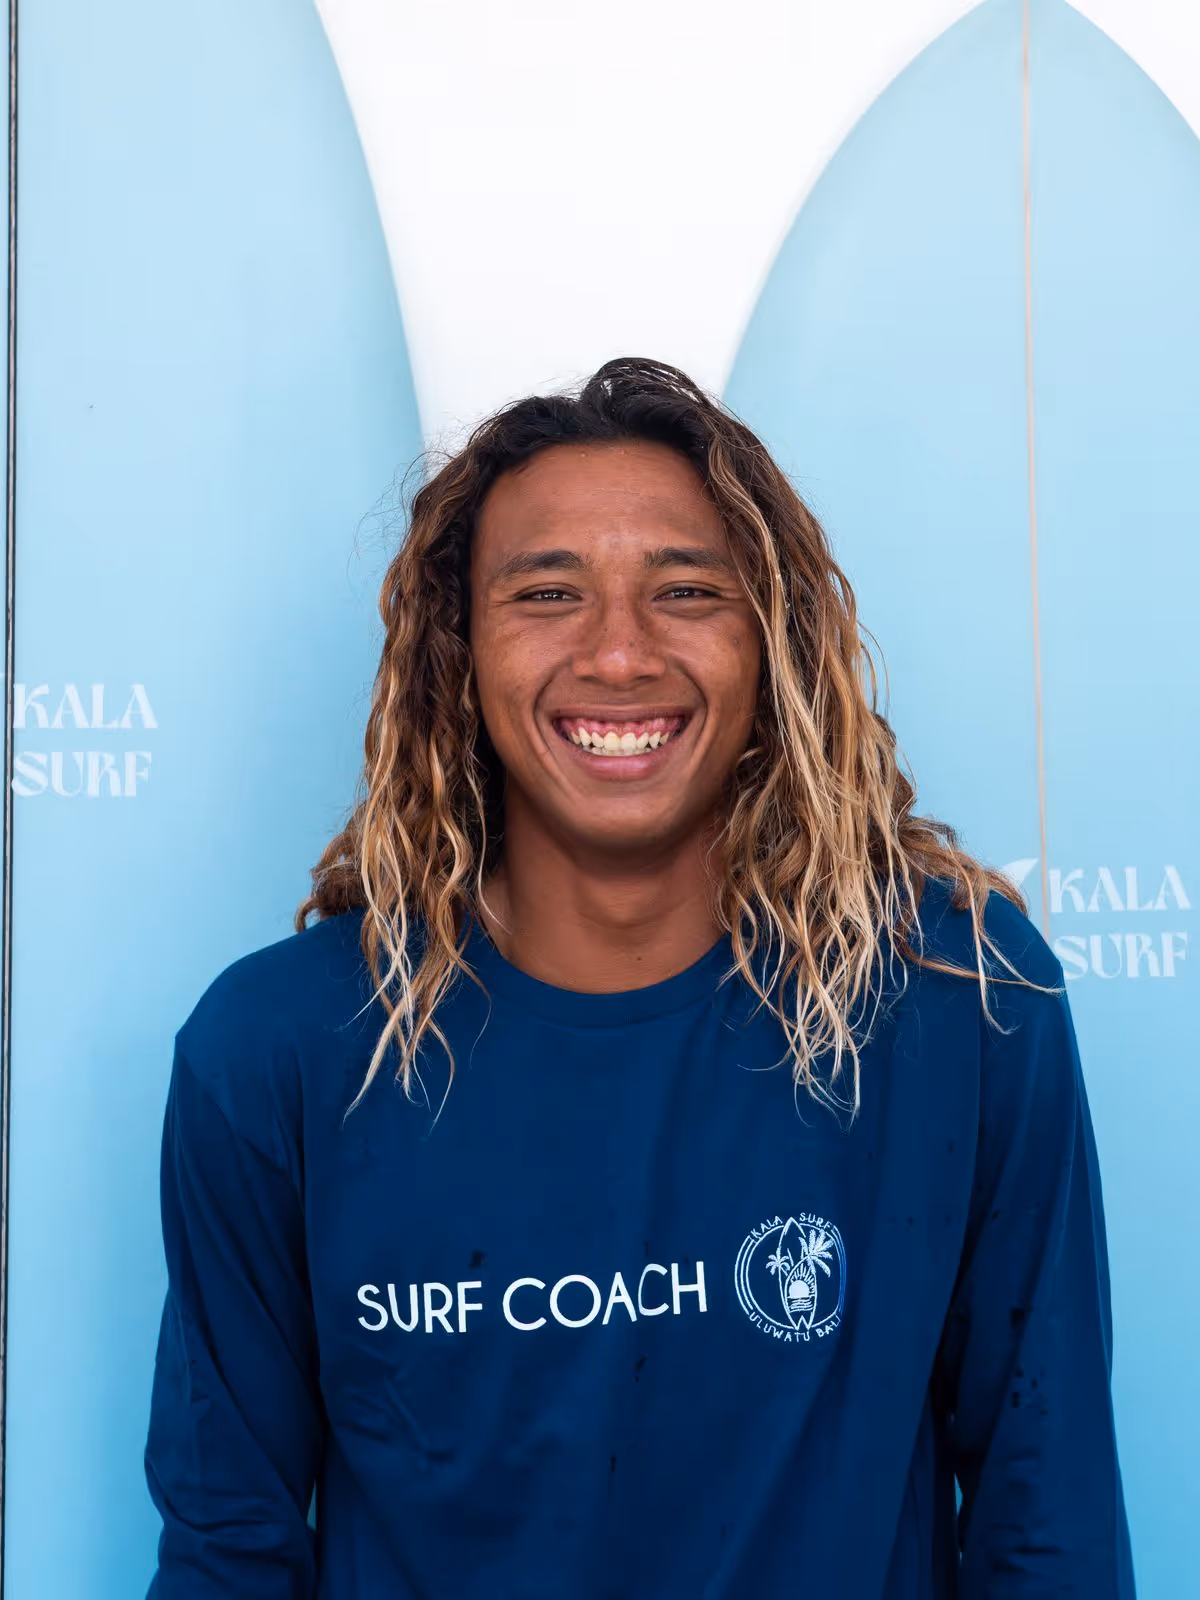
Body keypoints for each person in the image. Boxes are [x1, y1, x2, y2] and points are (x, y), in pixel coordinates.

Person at [143, 357, 1135, 1598]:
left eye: (687, 590)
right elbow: (228, 1547)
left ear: (771, 641)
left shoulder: (955, 999)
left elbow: (1049, 1521)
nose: (619, 653)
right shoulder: (279, 1049)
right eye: (547, 592)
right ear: (460, 651)